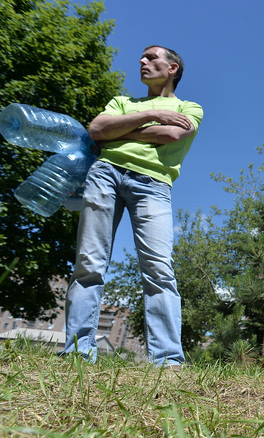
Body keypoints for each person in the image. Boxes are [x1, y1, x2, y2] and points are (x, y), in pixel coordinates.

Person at [62, 45, 203, 366]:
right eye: (142, 57)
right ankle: (77, 353)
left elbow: (171, 134)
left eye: (152, 57)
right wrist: (152, 114)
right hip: (104, 175)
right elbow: (96, 130)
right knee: (89, 262)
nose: (142, 61)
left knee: (159, 269)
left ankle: (167, 360)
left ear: (173, 68)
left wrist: (120, 131)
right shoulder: (122, 102)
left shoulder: (189, 106)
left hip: (154, 184)